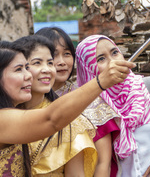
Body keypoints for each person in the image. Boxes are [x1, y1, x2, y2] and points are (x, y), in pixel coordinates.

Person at [0, 40, 135, 177]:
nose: (28, 76)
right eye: (19, 69)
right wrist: (101, 82)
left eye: (27, 68)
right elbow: (50, 119)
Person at [76, 35, 150, 177]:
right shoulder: (92, 111)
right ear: (88, 68)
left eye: (115, 52)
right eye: (101, 59)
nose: (113, 61)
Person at [36, 27, 121, 176]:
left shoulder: (91, 101)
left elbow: (103, 163)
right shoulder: (29, 102)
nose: (62, 62)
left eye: (67, 54)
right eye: (54, 55)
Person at [16, 35, 97, 176]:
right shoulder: (3, 115)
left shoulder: (69, 121)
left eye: (49, 63)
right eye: (37, 63)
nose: (47, 69)